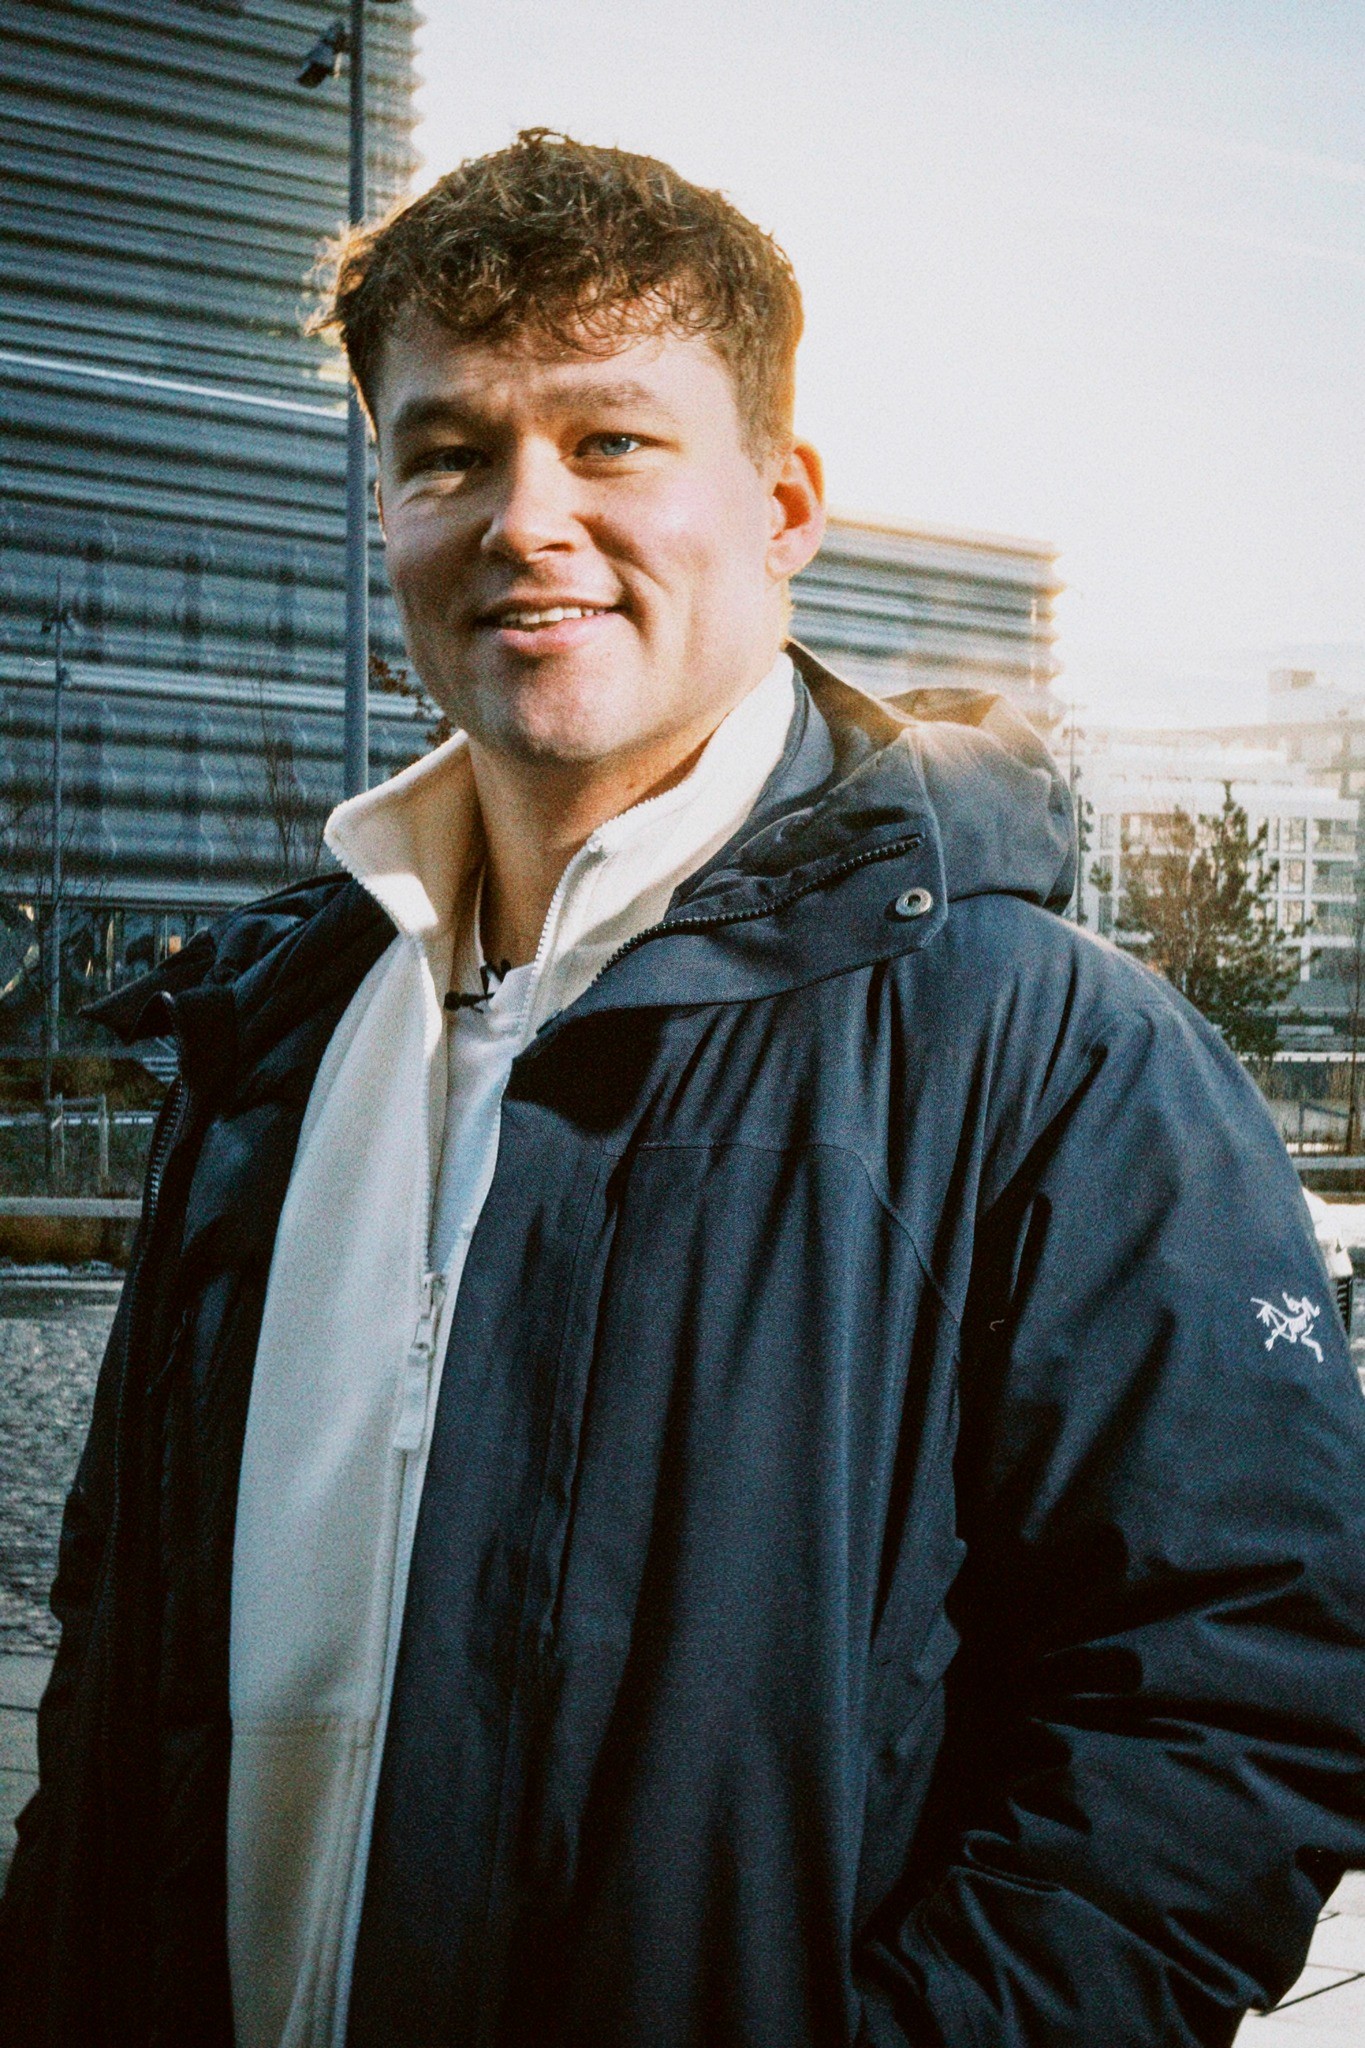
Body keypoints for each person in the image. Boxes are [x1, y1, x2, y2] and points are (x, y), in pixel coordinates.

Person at [3, 129, 1365, 2048]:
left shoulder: (1050, 1049)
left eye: (612, 441)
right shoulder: (272, 1032)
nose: (524, 518)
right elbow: (115, 1647)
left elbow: (1228, 1700)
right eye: (448, 453)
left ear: (783, 502)